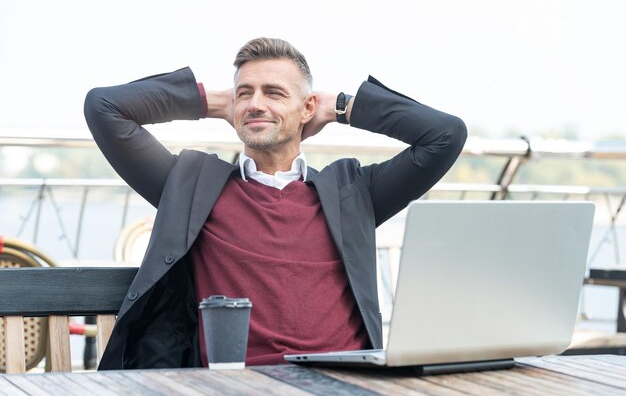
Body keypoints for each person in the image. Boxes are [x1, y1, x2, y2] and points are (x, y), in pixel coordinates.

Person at [84, 37, 467, 370]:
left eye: (274, 92)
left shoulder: (352, 192)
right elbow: (104, 107)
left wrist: (342, 106)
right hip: (236, 386)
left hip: (345, 385)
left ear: (307, 108)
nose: (255, 104)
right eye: (245, 92)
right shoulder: (190, 187)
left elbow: (445, 135)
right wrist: (215, 102)